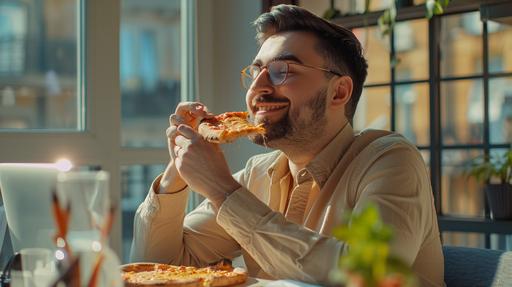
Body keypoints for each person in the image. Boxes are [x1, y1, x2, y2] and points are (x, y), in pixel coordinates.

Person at [130, 4, 444, 286]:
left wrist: (222, 189)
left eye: (283, 71)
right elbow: (157, 270)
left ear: (339, 93)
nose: (257, 89)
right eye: (256, 72)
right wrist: (177, 173)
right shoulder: (258, 174)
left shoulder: (391, 160)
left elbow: (368, 275)